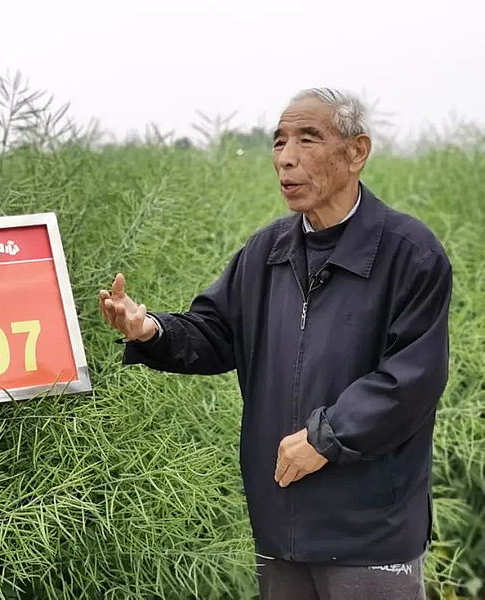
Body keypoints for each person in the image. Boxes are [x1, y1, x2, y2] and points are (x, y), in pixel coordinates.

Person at [99, 88, 451, 600]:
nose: (286, 157)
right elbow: (217, 333)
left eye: (308, 139)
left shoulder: (409, 253)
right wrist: (151, 328)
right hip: (280, 522)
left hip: (370, 530)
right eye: (279, 141)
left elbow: (411, 378)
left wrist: (325, 439)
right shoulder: (267, 251)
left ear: (357, 152)